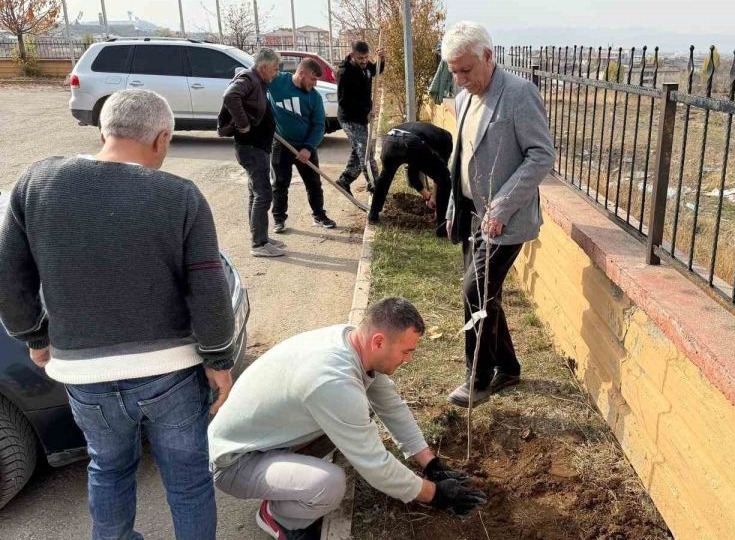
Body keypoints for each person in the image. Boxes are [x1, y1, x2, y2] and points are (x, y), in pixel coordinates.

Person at [0, 89, 236, 540]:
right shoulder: (180, 196)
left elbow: (10, 276)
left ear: (104, 129)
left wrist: (34, 336)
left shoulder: (37, 183)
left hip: (84, 377)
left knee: (108, 468)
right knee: (188, 480)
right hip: (170, 375)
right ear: (161, 138)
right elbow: (208, 288)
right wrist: (219, 361)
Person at [208, 298, 487, 539]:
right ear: (378, 341)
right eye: (406, 352)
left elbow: (391, 407)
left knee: (354, 415)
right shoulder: (333, 380)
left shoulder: (352, 342)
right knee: (329, 485)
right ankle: (278, 516)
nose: (408, 360)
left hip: (263, 439)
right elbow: (375, 466)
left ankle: (288, 478)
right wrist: (436, 494)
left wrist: (431, 464)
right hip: (234, 461)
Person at [441, 22, 555, 408]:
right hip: (473, 213)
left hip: (506, 219)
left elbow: (541, 155)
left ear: (489, 57)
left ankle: (479, 378)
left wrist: (501, 206)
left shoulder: (520, 95)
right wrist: (456, 204)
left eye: (465, 70)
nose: (458, 79)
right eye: (453, 71)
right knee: (486, 293)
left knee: (475, 291)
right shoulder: (464, 98)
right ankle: (509, 366)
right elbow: (463, 157)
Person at [219, 47, 286, 257]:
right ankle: (259, 245)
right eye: (274, 69)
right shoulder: (249, 78)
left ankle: (260, 236)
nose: (276, 74)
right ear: (263, 67)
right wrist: (244, 124)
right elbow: (230, 96)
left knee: (255, 193)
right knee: (263, 194)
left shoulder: (259, 81)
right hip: (251, 147)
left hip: (257, 146)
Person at [268, 57, 337, 233]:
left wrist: (308, 147)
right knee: (280, 183)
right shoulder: (277, 81)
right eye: (313, 79)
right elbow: (254, 81)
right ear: (301, 73)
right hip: (281, 143)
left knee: (314, 183)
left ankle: (319, 215)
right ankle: (278, 219)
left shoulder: (314, 97)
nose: (314, 84)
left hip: (305, 146)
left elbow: (319, 125)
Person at [368, 121, 453, 236]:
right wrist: (437, 200)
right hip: (412, 142)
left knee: (385, 176)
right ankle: (442, 228)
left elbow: (413, 175)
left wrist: (428, 196)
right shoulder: (445, 141)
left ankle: (373, 214)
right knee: (445, 181)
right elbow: (440, 177)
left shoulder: (426, 132)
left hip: (390, 139)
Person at [335, 40, 384, 194]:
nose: (364, 61)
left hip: (362, 118)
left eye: (365, 58)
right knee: (366, 154)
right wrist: (366, 111)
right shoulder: (345, 73)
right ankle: (376, 187)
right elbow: (344, 101)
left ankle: (344, 181)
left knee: (359, 151)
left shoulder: (366, 66)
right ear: (352, 56)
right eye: (360, 58)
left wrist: (382, 60)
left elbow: (376, 70)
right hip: (349, 119)